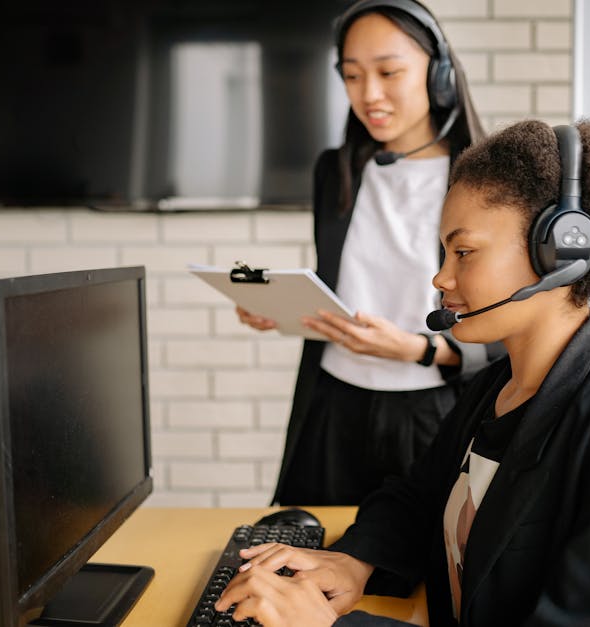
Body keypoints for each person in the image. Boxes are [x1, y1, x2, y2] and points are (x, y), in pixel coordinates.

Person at [215, 118, 590, 626]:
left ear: (561, 253)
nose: (441, 277)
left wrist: (329, 626)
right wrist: (354, 560)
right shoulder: (497, 387)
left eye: (464, 252)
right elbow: (415, 499)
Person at [237, 0, 498, 506]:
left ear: (440, 75)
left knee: (423, 568)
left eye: (389, 72)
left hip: (431, 411)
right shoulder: (335, 171)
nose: (369, 95)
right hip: (332, 404)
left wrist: (417, 349)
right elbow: (349, 279)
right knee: (308, 550)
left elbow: (508, 324)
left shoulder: (483, 180)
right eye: (352, 76)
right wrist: (287, 306)